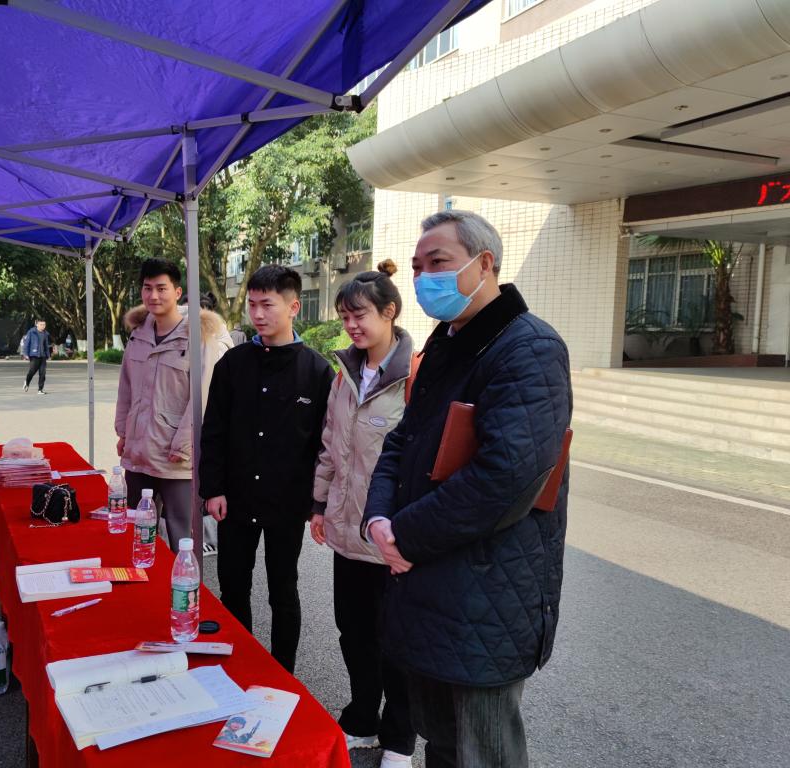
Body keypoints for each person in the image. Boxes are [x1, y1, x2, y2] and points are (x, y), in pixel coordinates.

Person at [362, 210, 572, 768]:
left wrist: (404, 535)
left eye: (438, 262)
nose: (423, 277)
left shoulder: (528, 348)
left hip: (485, 593)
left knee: (483, 751)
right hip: (428, 580)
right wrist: (378, 519)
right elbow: (402, 439)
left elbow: (506, 477)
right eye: (417, 266)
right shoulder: (447, 342)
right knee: (443, 743)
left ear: (485, 264)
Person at [199, 264, 334, 673]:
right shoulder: (233, 364)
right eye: (253, 304)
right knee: (233, 585)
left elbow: (324, 444)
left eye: (268, 305)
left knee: (283, 589)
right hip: (235, 496)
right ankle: (237, 663)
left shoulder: (317, 371)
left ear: (293, 307)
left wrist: (317, 503)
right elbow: (213, 430)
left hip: (287, 501)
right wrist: (213, 489)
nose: (258, 314)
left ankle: (281, 670)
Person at [309, 260, 416, 767]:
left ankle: (399, 740)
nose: (352, 325)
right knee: (353, 633)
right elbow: (330, 445)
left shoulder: (414, 377)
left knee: (396, 643)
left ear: (389, 312)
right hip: (346, 530)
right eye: (345, 317)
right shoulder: (345, 374)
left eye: (361, 315)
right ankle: (362, 719)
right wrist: (318, 505)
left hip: (391, 536)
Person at [115, 259, 231, 558]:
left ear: (177, 293)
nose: (153, 296)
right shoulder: (138, 335)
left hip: (176, 458)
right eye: (147, 288)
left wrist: (184, 445)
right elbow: (126, 388)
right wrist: (123, 432)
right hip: (138, 453)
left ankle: (183, 585)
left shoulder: (197, 337)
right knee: (137, 530)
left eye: (161, 288)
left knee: (181, 535)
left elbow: (203, 396)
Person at [21, 319, 51, 394]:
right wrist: (25, 354)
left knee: (43, 373)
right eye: (41, 324)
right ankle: (27, 382)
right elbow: (27, 343)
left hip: (43, 356)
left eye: (44, 325)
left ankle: (40, 390)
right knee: (32, 371)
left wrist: (48, 355)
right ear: (37, 324)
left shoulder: (45, 333)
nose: (43, 326)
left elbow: (46, 345)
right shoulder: (31, 332)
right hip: (34, 355)